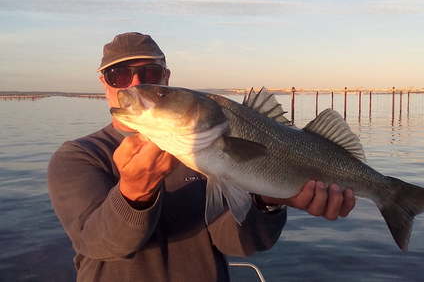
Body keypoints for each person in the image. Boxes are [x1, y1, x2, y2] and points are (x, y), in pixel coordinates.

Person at [48, 32, 356, 282]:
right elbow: (98, 244)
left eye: (151, 74)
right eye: (118, 75)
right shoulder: (78, 157)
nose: (136, 84)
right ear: (104, 81)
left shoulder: (200, 149)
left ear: (166, 77)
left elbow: (240, 243)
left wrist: (270, 200)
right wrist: (134, 193)